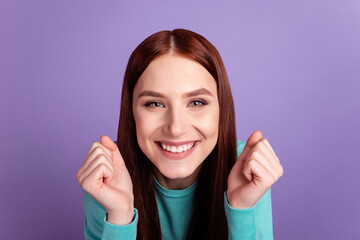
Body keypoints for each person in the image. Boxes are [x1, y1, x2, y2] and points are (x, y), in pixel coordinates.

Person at [76, 28, 284, 240]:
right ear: (131, 112)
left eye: (196, 102)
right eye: (155, 104)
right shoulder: (109, 173)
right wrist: (119, 216)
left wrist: (242, 209)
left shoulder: (246, 169)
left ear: (222, 109)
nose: (175, 128)